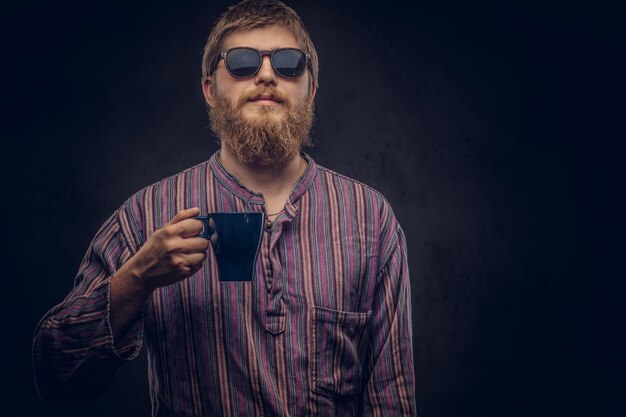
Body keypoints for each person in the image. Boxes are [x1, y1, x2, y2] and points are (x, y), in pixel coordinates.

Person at [32, 0, 417, 415]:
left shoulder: (370, 218)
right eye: (242, 63)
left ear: (311, 91)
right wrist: (137, 279)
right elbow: (55, 372)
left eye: (289, 64)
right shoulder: (147, 214)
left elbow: (391, 400)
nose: (267, 75)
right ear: (210, 89)